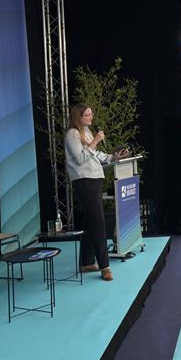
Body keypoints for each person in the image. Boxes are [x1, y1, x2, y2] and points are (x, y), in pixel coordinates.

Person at [64, 104, 130, 281]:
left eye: (91, 114)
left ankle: (86, 262)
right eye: (88, 115)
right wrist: (95, 141)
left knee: (90, 221)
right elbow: (80, 158)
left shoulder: (86, 131)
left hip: (94, 178)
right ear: (79, 117)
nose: (92, 117)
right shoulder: (73, 134)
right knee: (98, 222)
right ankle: (104, 266)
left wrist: (113, 157)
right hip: (84, 180)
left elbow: (96, 155)